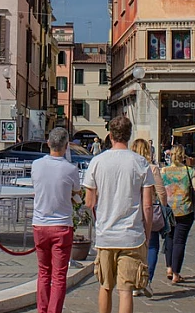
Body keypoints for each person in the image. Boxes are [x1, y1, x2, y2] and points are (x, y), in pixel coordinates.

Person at [83, 116, 155, 313]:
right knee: (126, 289)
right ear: (129, 136)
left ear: (110, 135)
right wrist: (147, 235)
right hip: (132, 235)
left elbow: (89, 202)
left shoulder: (97, 162)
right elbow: (147, 205)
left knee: (105, 286)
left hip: (106, 234)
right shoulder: (140, 163)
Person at [31, 127, 80, 313]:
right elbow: (77, 191)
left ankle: (42, 310)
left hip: (40, 224)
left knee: (43, 272)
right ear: (66, 146)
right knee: (59, 276)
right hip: (61, 225)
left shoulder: (36, 165)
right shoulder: (70, 169)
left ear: (48, 144)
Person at [131, 138, 166, 297]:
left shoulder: (130, 168)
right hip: (148, 211)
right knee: (151, 246)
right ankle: (146, 280)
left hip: (131, 212)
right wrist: (164, 207)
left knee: (132, 248)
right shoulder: (152, 168)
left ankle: (133, 281)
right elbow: (161, 192)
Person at [161, 144, 195, 284]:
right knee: (180, 241)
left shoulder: (164, 171)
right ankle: (176, 273)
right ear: (183, 155)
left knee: (169, 238)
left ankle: (169, 268)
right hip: (184, 210)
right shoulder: (189, 171)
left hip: (168, 210)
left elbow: (158, 189)